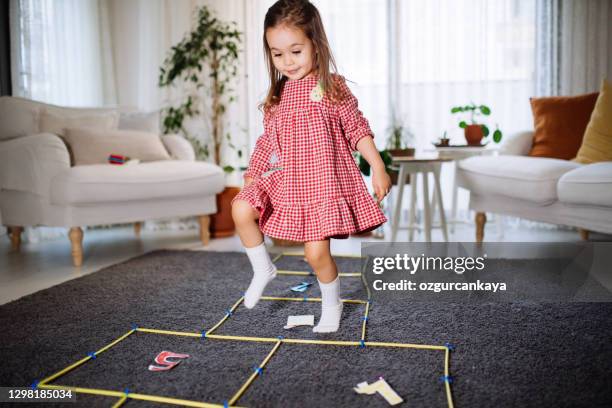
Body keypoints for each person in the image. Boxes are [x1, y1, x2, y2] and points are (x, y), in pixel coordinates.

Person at [231, 0, 391, 333]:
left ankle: (331, 304)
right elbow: (266, 143)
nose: (287, 62)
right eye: (277, 54)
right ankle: (263, 269)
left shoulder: (332, 87)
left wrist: (377, 165)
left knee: (316, 256)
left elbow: (357, 128)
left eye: (295, 51)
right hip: (287, 178)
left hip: (321, 183)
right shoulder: (278, 96)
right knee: (241, 207)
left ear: (315, 46)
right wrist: (251, 176)